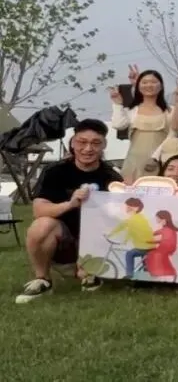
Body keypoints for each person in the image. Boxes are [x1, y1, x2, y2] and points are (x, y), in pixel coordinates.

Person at [17, 119, 122, 303]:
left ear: (104, 145)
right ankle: (42, 279)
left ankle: (92, 272)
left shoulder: (112, 177)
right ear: (72, 143)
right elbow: (38, 210)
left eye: (95, 143)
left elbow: (121, 218)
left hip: (98, 242)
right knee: (41, 225)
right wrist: (70, 204)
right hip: (64, 243)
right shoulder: (55, 171)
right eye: (82, 142)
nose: (88, 149)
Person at [107, 197, 156, 279]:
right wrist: (110, 234)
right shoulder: (137, 217)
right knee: (146, 268)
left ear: (137, 208)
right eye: (127, 206)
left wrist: (123, 240)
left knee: (129, 254)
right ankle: (146, 277)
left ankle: (129, 275)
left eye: (130, 206)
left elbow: (129, 230)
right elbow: (123, 226)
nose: (127, 208)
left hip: (145, 246)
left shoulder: (135, 219)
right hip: (147, 245)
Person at [143, 210, 178, 281]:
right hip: (166, 246)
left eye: (157, 218)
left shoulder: (167, 229)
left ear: (163, 219)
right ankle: (160, 273)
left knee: (152, 254)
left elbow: (165, 241)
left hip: (166, 247)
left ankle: (157, 273)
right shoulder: (166, 228)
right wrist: (150, 240)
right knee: (154, 255)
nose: (156, 219)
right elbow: (157, 235)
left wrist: (150, 241)